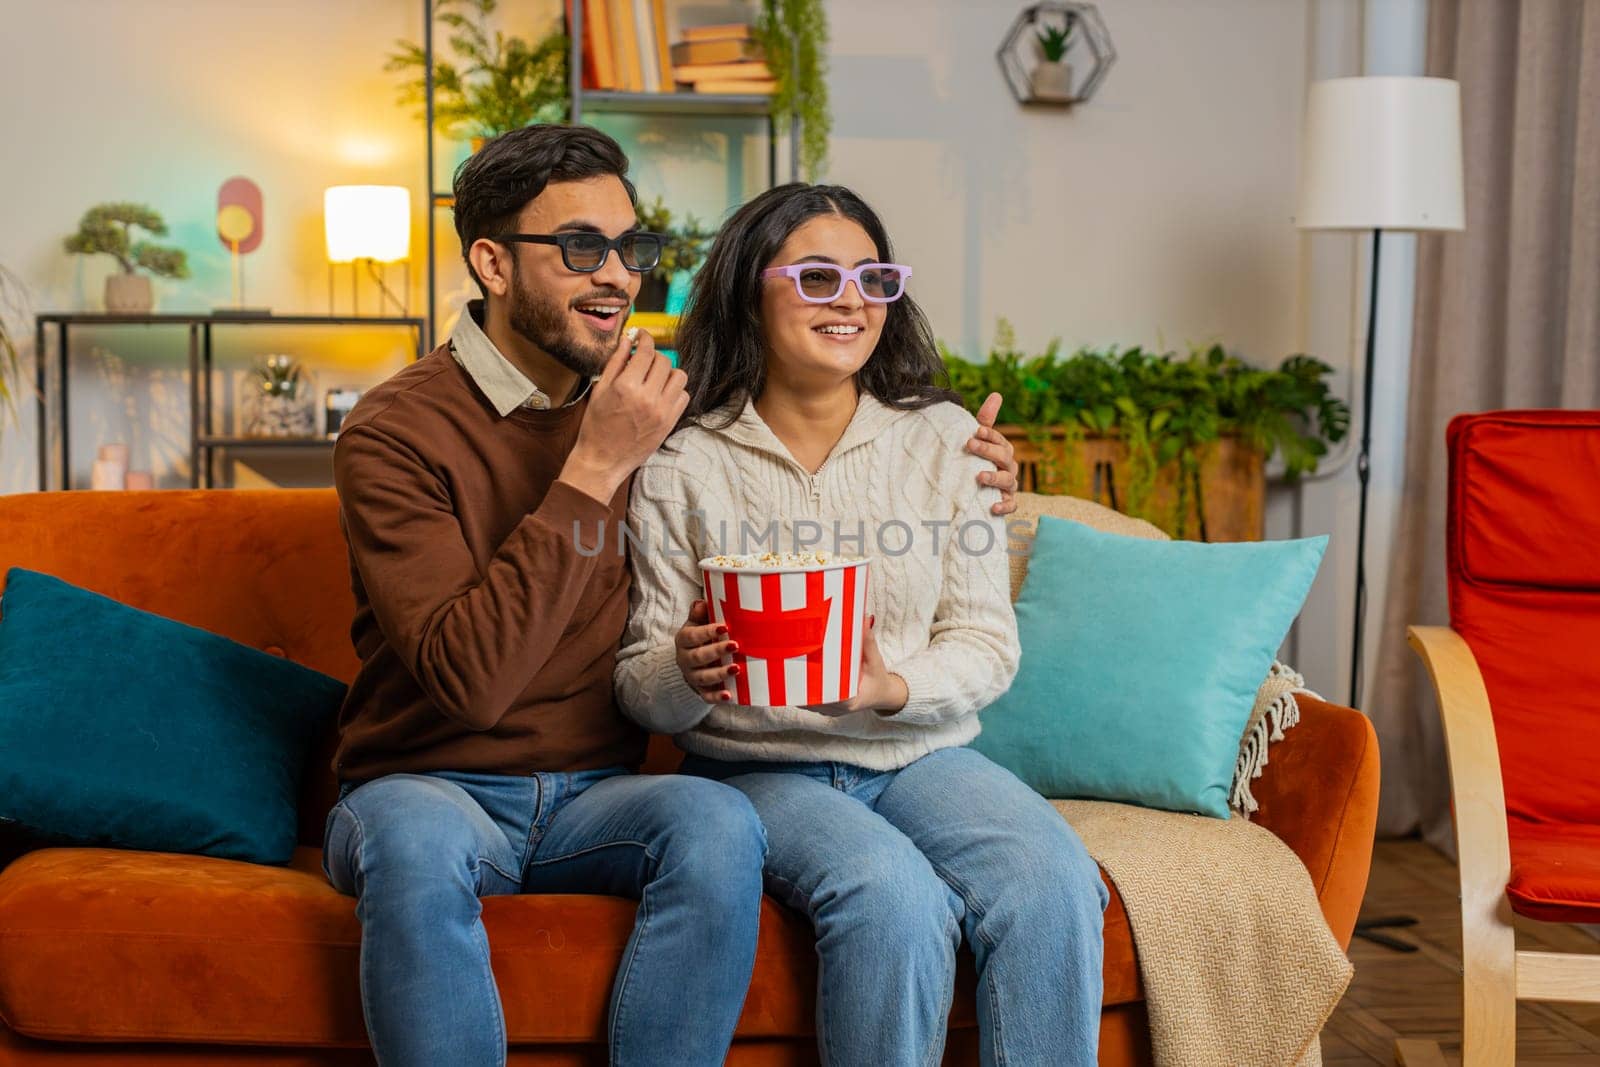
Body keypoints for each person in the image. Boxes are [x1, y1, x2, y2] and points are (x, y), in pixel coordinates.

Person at [321, 125, 1023, 1067]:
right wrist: (598, 463)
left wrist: (982, 474)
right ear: (490, 261)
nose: (617, 275)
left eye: (631, 248)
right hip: (430, 781)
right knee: (408, 844)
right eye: (580, 248)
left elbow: (805, 445)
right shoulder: (395, 432)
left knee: (717, 821)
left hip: (595, 795)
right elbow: (471, 680)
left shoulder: (654, 401)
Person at [615, 182, 1108, 1066]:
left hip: (922, 756)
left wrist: (893, 687)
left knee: (1055, 878)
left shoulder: (945, 443)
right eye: (815, 276)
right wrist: (683, 674)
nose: (850, 298)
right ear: (745, 291)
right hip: (756, 768)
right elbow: (640, 676)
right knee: (895, 900)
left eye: (873, 278)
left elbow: (988, 644)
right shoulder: (681, 462)